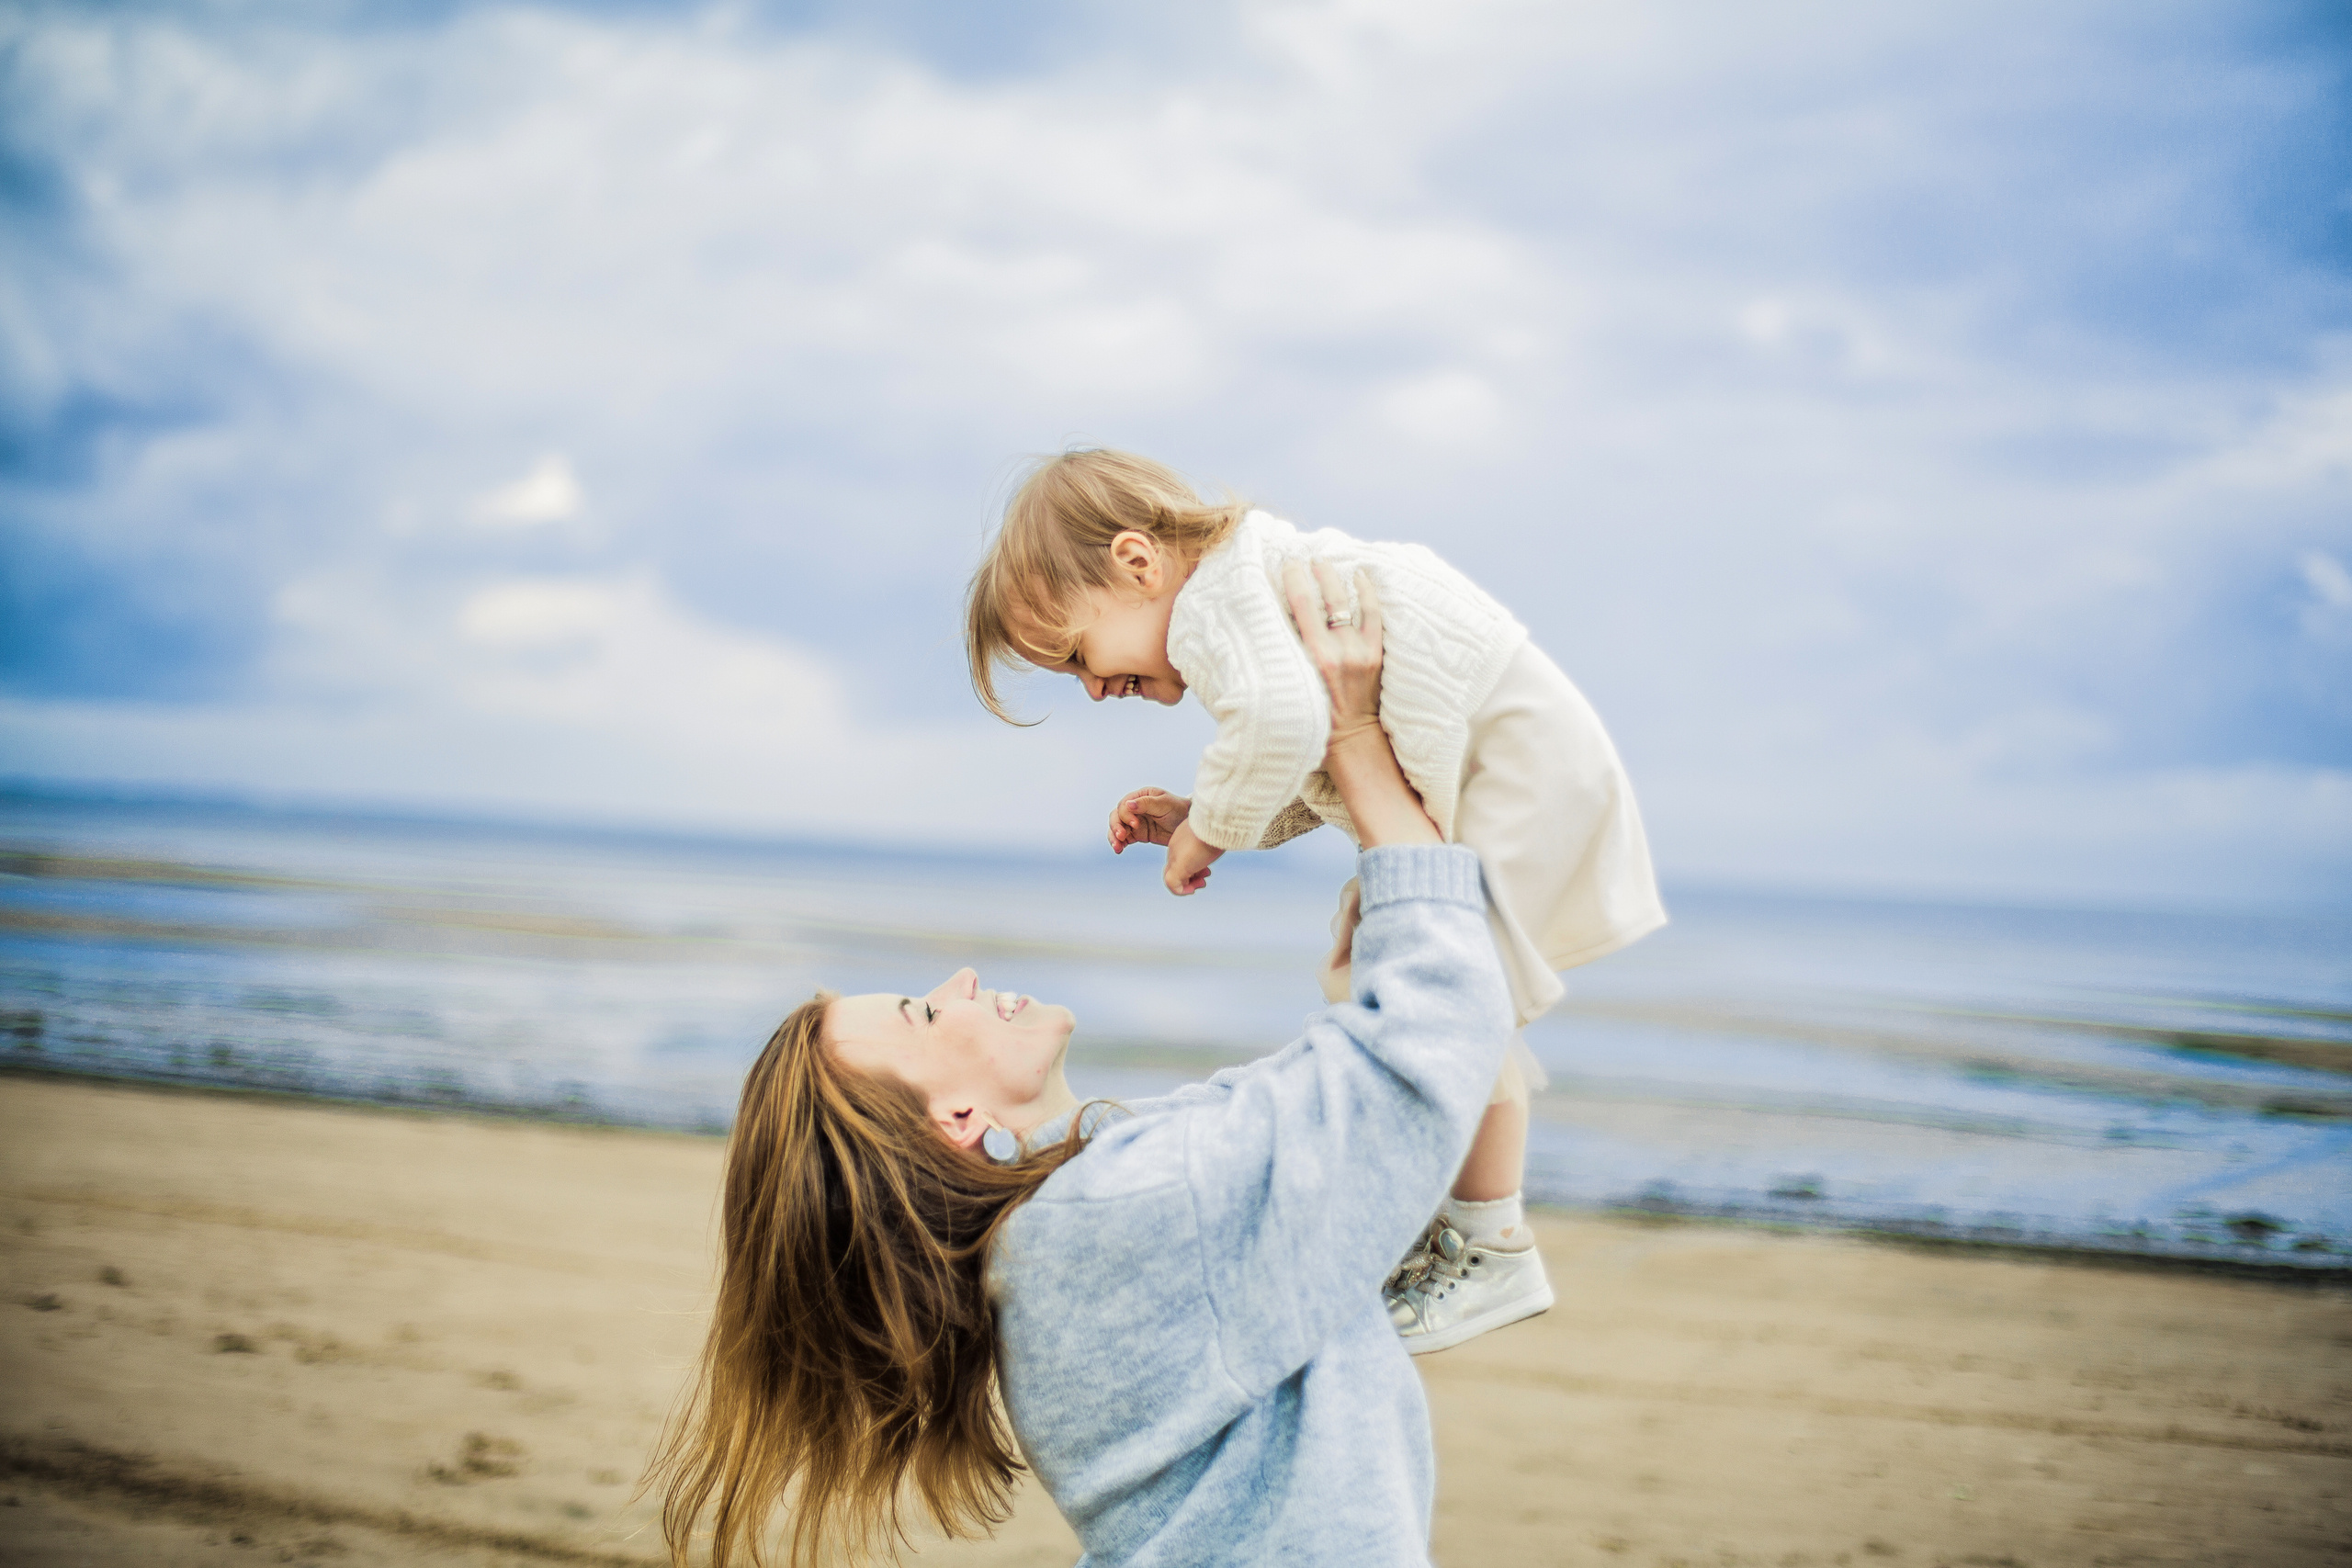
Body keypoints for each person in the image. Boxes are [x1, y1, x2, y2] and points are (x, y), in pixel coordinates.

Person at [650, 564, 1516, 1567]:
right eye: (927, 1012)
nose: (964, 978)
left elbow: (1357, 1164)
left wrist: (1377, 964)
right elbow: (1430, 1050)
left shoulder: (1075, 1216)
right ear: (955, 1123)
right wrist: (1355, 743)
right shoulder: (1111, 1217)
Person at [962, 447, 1666, 1351]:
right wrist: (1204, 810)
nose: (1096, 689)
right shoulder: (1243, 598)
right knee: (1403, 969)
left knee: (1434, 988)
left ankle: (1490, 1245)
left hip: (1510, 755)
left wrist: (1206, 832)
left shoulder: (1215, 608)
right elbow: (1306, 757)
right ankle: (1462, 1218)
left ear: (1138, 565)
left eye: (1076, 656)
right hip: (1517, 749)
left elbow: (1286, 727)